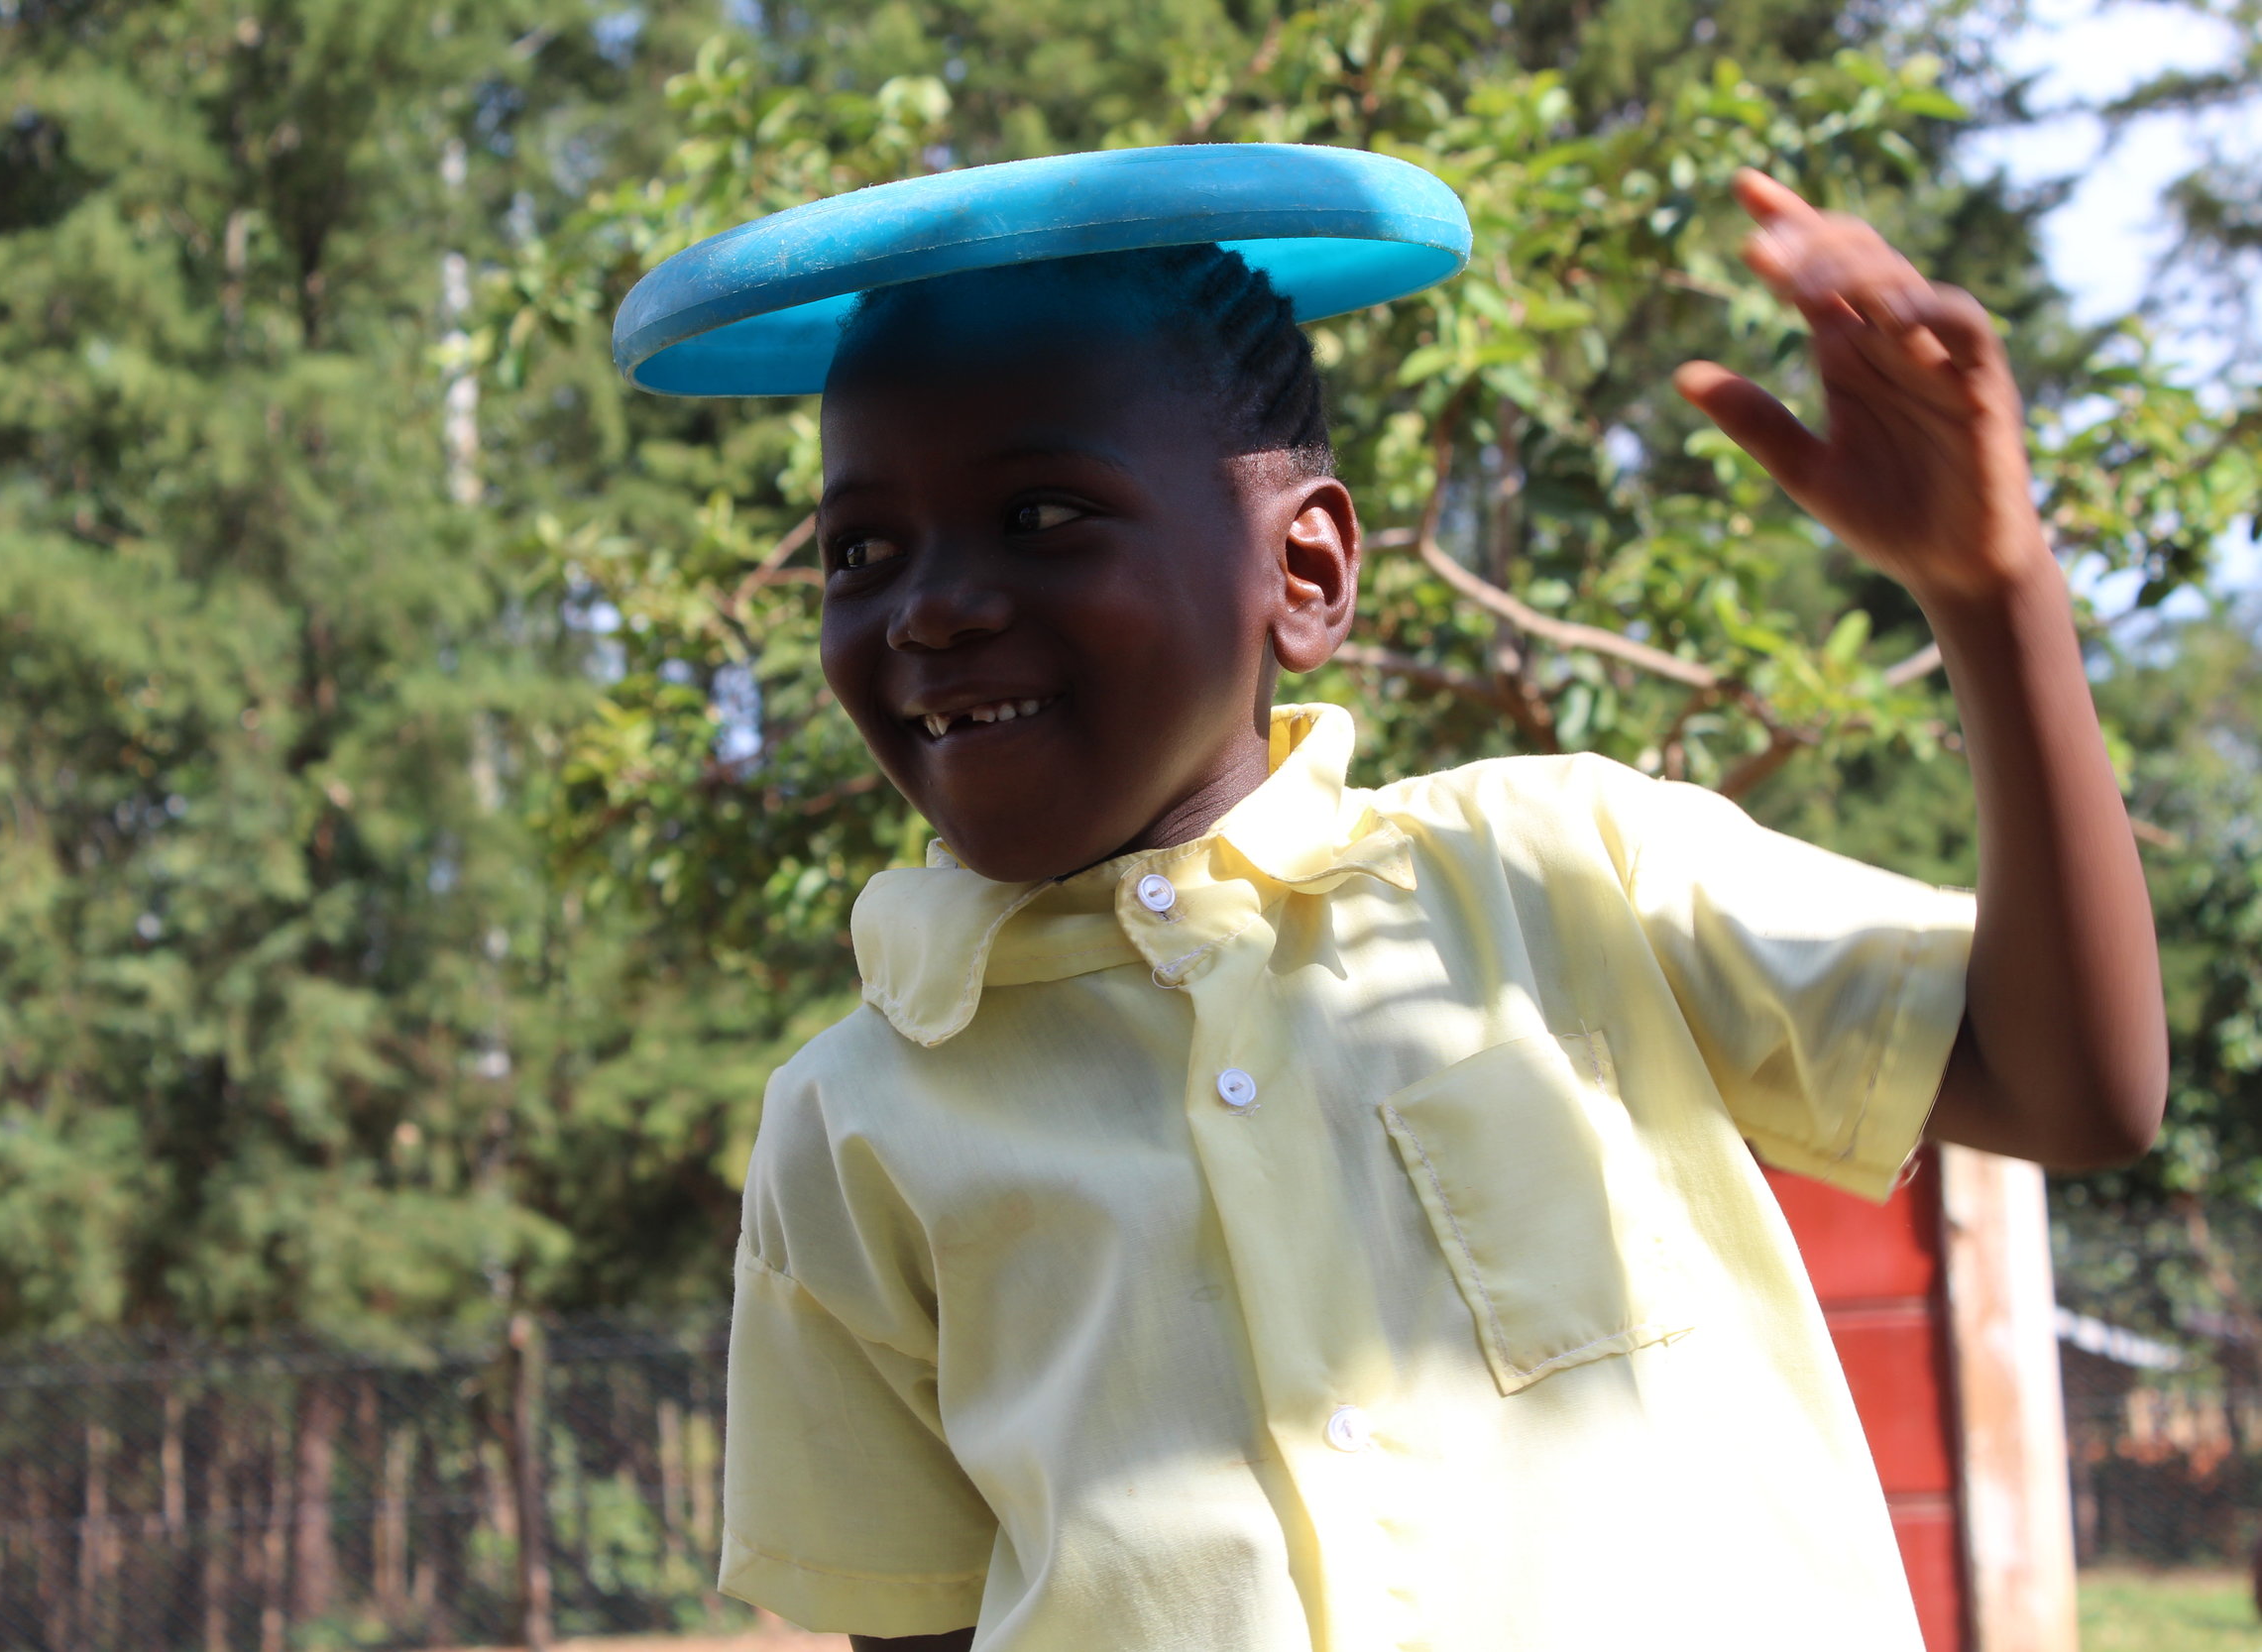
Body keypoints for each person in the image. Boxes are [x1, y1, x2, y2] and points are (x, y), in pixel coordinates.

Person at [714, 169, 2166, 1651]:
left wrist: (1992, 595)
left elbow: (2075, 1090)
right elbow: (920, 1629)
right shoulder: (852, 1124)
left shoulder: (1560, 868)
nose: (930, 607)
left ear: (1309, 568)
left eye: (1041, 513)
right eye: (859, 552)